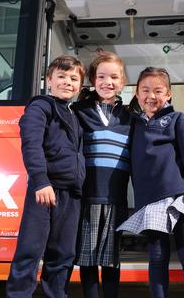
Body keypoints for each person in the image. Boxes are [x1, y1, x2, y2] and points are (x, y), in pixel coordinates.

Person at [118, 67, 184, 298]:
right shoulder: (133, 123)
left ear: (168, 94)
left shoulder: (177, 119)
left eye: (158, 91)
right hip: (150, 200)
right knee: (157, 257)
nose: (151, 96)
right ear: (136, 94)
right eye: (145, 90)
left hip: (180, 195)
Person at [6, 55, 87, 298]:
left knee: (63, 254)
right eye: (61, 77)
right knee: (30, 250)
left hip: (71, 193)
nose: (67, 82)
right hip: (45, 190)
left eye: (74, 78)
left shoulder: (74, 114)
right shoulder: (41, 106)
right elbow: (31, 144)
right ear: (49, 80)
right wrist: (41, 181)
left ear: (80, 86)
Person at [73, 51, 132, 298]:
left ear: (123, 81)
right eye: (102, 76)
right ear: (92, 80)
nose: (108, 82)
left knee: (111, 260)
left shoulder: (130, 115)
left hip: (116, 198)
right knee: (87, 259)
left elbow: (160, 120)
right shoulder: (79, 110)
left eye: (114, 77)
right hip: (88, 196)